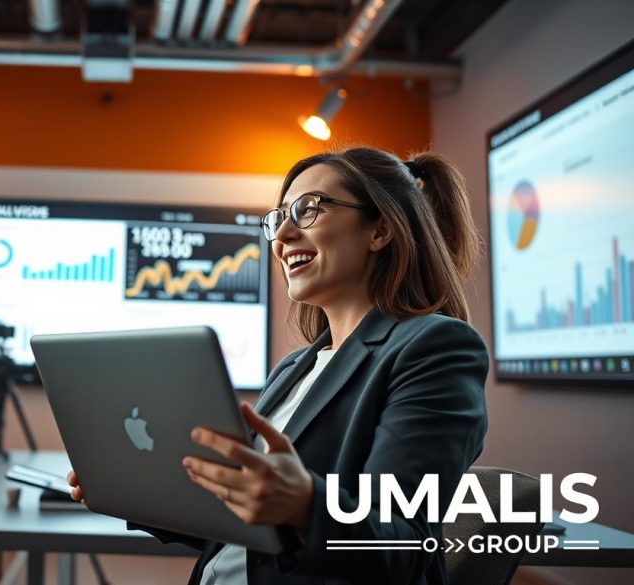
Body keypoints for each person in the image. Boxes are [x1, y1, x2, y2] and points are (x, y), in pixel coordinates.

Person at [67, 146, 489, 585]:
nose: (282, 234)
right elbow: (244, 531)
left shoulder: (435, 347)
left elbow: (403, 547)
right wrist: (136, 495)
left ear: (380, 229)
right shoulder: (294, 369)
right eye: (279, 217)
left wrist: (305, 505)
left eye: (307, 210)